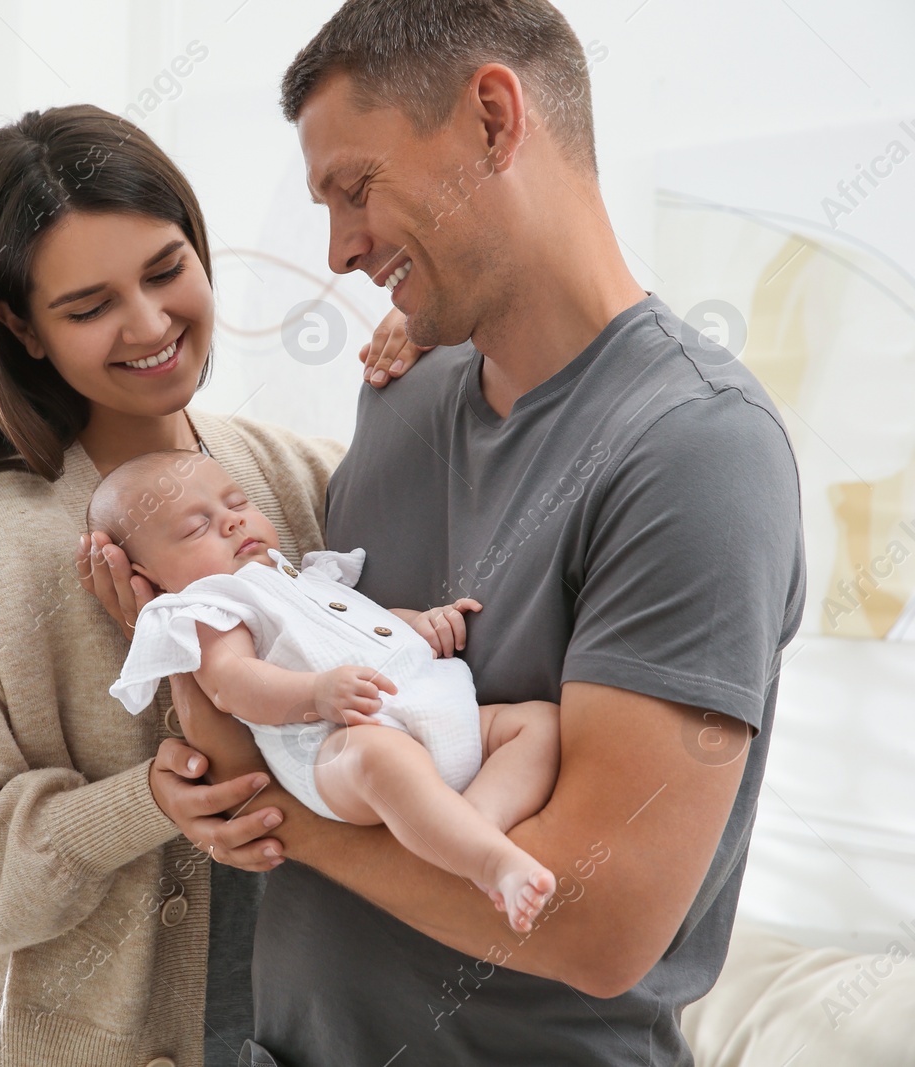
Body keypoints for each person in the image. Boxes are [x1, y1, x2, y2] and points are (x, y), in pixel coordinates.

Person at [88, 1, 805, 1063]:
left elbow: (595, 922)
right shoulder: (404, 390)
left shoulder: (696, 451)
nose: (339, 248)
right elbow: (287, 709)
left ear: (492, 119)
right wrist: (183, 634)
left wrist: (293, 818)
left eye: (355, 188)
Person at [0, 103, 425, 1067]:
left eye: (168, 271)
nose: (151, 323)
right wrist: (141, 804)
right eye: (88, 307)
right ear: (21, 328)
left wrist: (434, 368)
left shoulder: (301, 480)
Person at [94, 449, 562, 931]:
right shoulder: (211, 605)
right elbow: (232, 683)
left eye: (237, 503)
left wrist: (422, 624)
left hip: (432, 705)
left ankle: (472, 825)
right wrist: (315, 693)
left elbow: (370, 624)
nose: (232, 522)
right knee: (379, 758)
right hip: (332, 744)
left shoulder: (304, 577)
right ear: (148, 578)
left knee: (538, 725)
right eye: (196, 528)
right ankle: (491, 864)